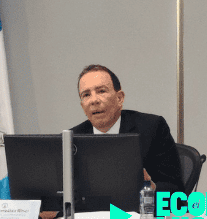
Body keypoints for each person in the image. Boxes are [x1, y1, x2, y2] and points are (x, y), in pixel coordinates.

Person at [71, 64, 183, 194]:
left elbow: (176, 191)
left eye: (101, 91)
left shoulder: (152, 128)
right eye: (86, 95)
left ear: (120, 98)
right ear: (82, 106)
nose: (94, 100)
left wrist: (150, 188)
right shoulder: (72, 139)